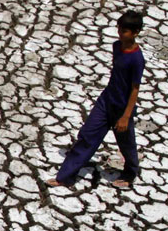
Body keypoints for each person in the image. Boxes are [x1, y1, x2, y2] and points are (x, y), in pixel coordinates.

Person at [47, 10, 146, 189]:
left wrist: (125, 116)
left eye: (124, 30)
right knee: (87, 136)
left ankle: (130, 173)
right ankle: (65, 177)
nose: (120, 33)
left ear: (136, 32)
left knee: (126, 144)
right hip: (106, 101)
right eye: (119, 29)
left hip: (122, 108)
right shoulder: (117, 46)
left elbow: (134, 89)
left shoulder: (137, 59)